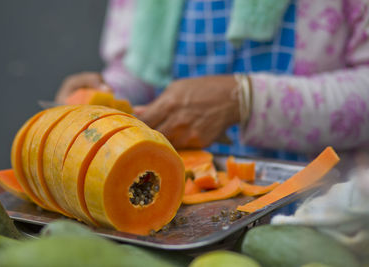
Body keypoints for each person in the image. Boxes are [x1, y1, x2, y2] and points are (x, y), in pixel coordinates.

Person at [56, 0, 369, 161]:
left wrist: (247, 100)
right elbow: (141, 72)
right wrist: (106, 94)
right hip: (180, 207)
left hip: (323, 214)